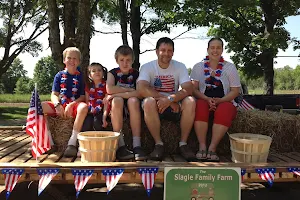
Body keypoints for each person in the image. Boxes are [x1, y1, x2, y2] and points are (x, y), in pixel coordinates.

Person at [137, 37, 196, 161]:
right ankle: (158, 144)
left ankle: (183, 144)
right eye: (163, 50)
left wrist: (171, 99)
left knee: (190, 101)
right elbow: (141, 88)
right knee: (148, 101)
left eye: (169, 50)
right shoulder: (147, 67)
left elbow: (188, 89)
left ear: (173, 52)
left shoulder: (180, 66)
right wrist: (167, 99)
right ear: (157, 51)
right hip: (156, 106)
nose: (166, 53)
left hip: (174, 106)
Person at [190, 37, 241, 162]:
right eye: (212, 47)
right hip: (204, 98)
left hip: (225, 100)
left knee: (225, 109)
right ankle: (202, 146)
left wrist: (220, 101)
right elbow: (193, 89)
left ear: (222, 50)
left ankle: (212, 147)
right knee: (200, 105)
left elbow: (235, 91)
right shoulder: (198, 67)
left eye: (218, 47)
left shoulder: (230, 67)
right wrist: (207, 99)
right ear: (207, 49)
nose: (215, 50)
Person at [42, 47, 88, 157]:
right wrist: (57, 105)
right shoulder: (59, 75)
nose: (72, 61)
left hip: (74, 104)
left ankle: (72, 143)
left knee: (84, 107)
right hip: (60, 104)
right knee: (39, 107)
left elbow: (82, 96)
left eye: (75, 58)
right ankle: (49, 143)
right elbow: (54, 94)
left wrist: (72, 104)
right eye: (69, 58)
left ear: (79, 61)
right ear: (64, 60)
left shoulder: (81, 77)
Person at [106, 45, 147, 161]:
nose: (125, 63)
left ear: (132, 60)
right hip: (118, 104)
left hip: (132, 103)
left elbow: (139, 93)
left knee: (133, 101)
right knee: (117, 100)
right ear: (116, 60)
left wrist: (117, 93)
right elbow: (109, 89)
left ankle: (137, 144)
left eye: (128, 60)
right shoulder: (112, 73)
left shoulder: (136, 74)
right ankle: (120, 144)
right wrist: (129, 90)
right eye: (122, 60)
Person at [81, 62, 109, 131]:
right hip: (90, 111)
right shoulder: (88, 86)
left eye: (99, 70)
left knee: (97, 124)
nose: (97, 72)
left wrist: (104, 117)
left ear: (103, 72)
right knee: (86, 125)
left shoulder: (106, 85)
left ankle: (100, 140)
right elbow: (87, 101)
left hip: (101, 111)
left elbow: (106, 103)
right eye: (94, 71)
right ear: (89, 75)